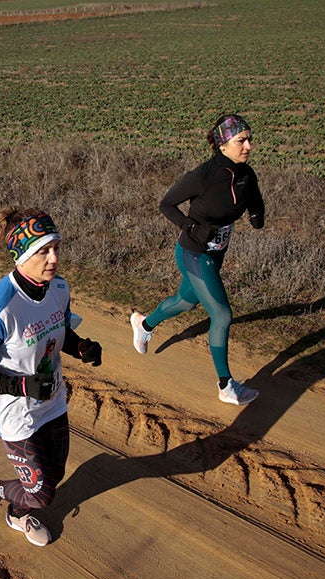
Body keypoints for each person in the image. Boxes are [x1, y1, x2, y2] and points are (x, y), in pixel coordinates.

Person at [0, 208, 103, 546]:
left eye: (56, 248)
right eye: (43, 251)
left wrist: (82, 347)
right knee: (41, 494)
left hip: (53, 402)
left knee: (56, 474)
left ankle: (18, 515)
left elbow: (59, 330)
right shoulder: (0, 307)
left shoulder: (58, 288)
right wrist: (22, 386)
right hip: (16, 414)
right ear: (21, 255)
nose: (53, 258)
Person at [130, 114, 265, 406]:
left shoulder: (245, 174)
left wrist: (256, 213)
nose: (249, 146)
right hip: (193, 252)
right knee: (222, 314)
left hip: (217, 253)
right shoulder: (202, 176)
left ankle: (144, 325)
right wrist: (191, 226)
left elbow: (253, 195)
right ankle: (225, 385)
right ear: (223, 144)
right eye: (242, 140)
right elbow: (166, 204)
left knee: (185, 301)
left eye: (250, 140)